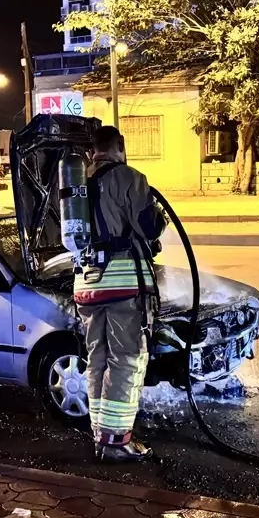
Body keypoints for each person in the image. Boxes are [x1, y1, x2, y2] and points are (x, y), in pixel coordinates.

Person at [74, 125, 167, 463]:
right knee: (127, 358)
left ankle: (101, 434)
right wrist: (160, 217)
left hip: (86, 283)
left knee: (97, 359)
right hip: (123, 283)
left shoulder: (75, 181)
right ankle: (116, 444)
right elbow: (149, 227)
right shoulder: (129, 177)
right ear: (120, 148)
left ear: (92, 152)